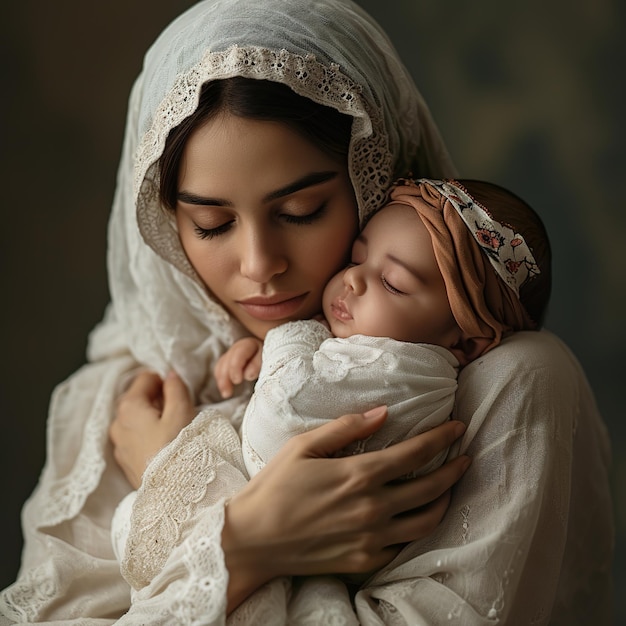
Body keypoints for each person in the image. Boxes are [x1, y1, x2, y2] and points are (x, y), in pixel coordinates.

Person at [0, 0, 613, 624]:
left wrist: (188, 505)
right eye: (211, 225)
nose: (260, 264)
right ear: (165, 229)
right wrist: (246, 539)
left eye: (302, 213)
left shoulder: (506, 381)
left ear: (372, 180)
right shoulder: (120, 405)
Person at [209, 178, 547, 481]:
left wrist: (282, 340)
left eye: (393, 284)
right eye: (356, 259)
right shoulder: (385, 359)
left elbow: (277, 423)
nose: (353, 279)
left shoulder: (405, 374)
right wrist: (263, 360)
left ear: (465, 343)